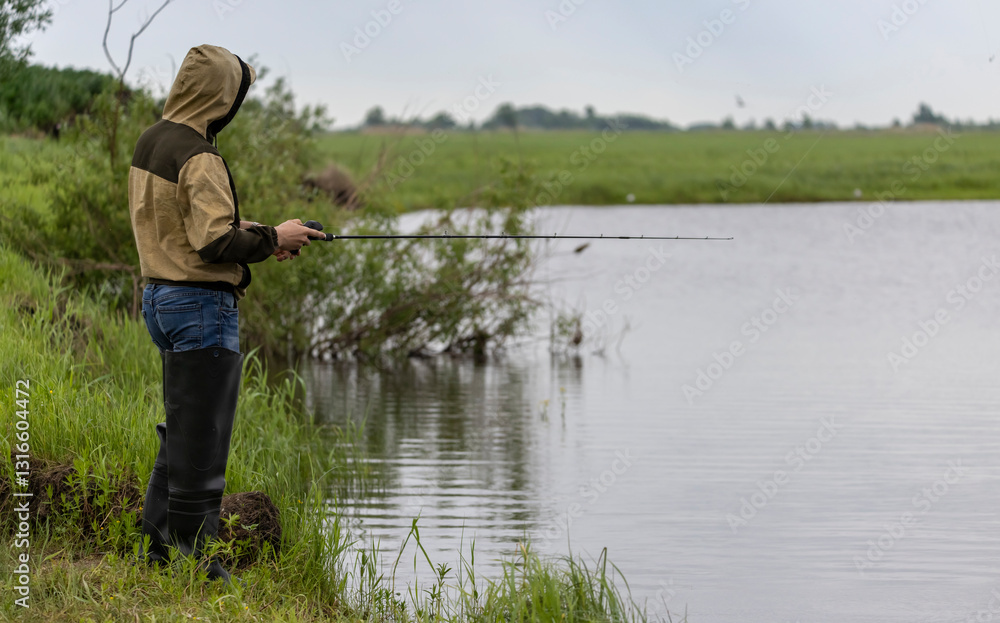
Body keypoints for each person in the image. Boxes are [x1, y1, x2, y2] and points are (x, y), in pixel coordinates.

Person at [127, 44, 322, 583]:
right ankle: (198, 563)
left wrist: (266, 234)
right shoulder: (200, 155)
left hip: (160, 300)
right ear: (220, 94)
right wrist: (271, 238)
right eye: (237, 92)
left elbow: (181, 223)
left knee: (183, 432)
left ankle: (157, 551)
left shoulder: (152, 140)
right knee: (204, 440)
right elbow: (214, 243)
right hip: (199, 305)